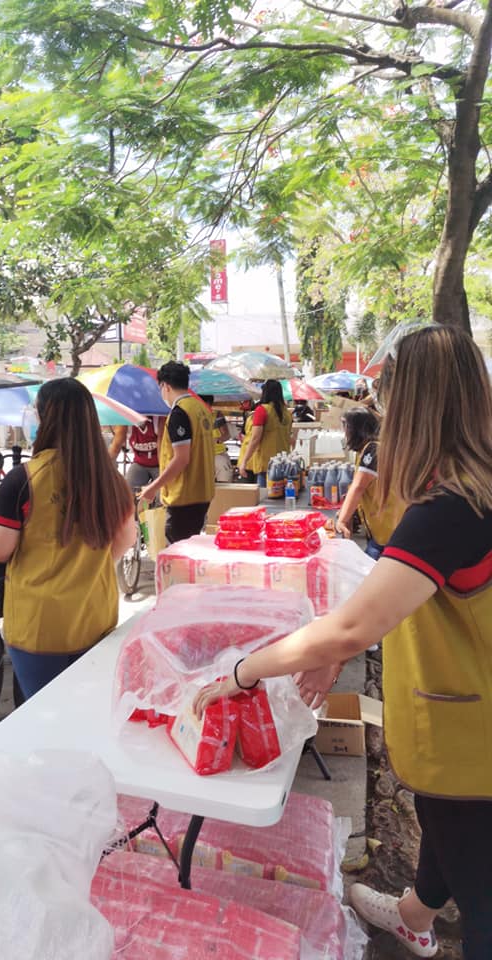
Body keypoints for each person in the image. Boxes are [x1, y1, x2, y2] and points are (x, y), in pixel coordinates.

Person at [193, 326, 492, 959]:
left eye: (388, 394)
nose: (381, 409)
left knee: (475, 867)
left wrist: (247, 670)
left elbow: (355, 623)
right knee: (448, 827)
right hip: (473, 715)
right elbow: (386, 608)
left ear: (416, 405)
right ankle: (414, 913)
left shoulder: (449, 507)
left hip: (470, 737)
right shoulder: (476, 485)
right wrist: (334, 652)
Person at [0, 378, 135, 701]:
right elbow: (126, 538)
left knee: (39, 721)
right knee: (83, 712)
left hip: (39, 625)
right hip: (95, 616)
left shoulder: (24, 479)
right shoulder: (113, 480)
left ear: (44, 418)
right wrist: (89, 567)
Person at [138, 361, 215, 544]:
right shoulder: (201, 408)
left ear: (165, 386)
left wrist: (152, 487)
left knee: (178, 553)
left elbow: (181, 459)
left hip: (184, 496)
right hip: (202, 492)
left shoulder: (180, 413)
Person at [335, 407, 400, 559]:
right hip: (381, 527)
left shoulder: (373, 450)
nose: (344, 433)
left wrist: (342, 521)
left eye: (346, 427)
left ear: (356, 429)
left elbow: (359, 486)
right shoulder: (369, 449)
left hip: (387, 528)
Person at [237, 379, 292, 487]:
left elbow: (255, 438)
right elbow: (290, 437)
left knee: (266, 498)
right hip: (283, 463)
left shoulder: (262, 410)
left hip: (266, 465)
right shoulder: (287, 412)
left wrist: (244, 461)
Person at [110, 417, 165, 491]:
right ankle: (136, 502)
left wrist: (162, 476)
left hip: (159, 465)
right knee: (127, 490)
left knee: (162, 492)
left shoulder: (158, 420)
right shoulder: (126, 424)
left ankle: (155, 500)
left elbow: (161, 450)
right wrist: (107, 465)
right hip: (140, 464)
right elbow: (116, 447)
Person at [199, 395, 233, 482]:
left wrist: (217, 440)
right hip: (200, 456)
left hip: (218, 454)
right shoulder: (193, 415)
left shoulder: (217, 415)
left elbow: (226, 434)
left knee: (224, 481)